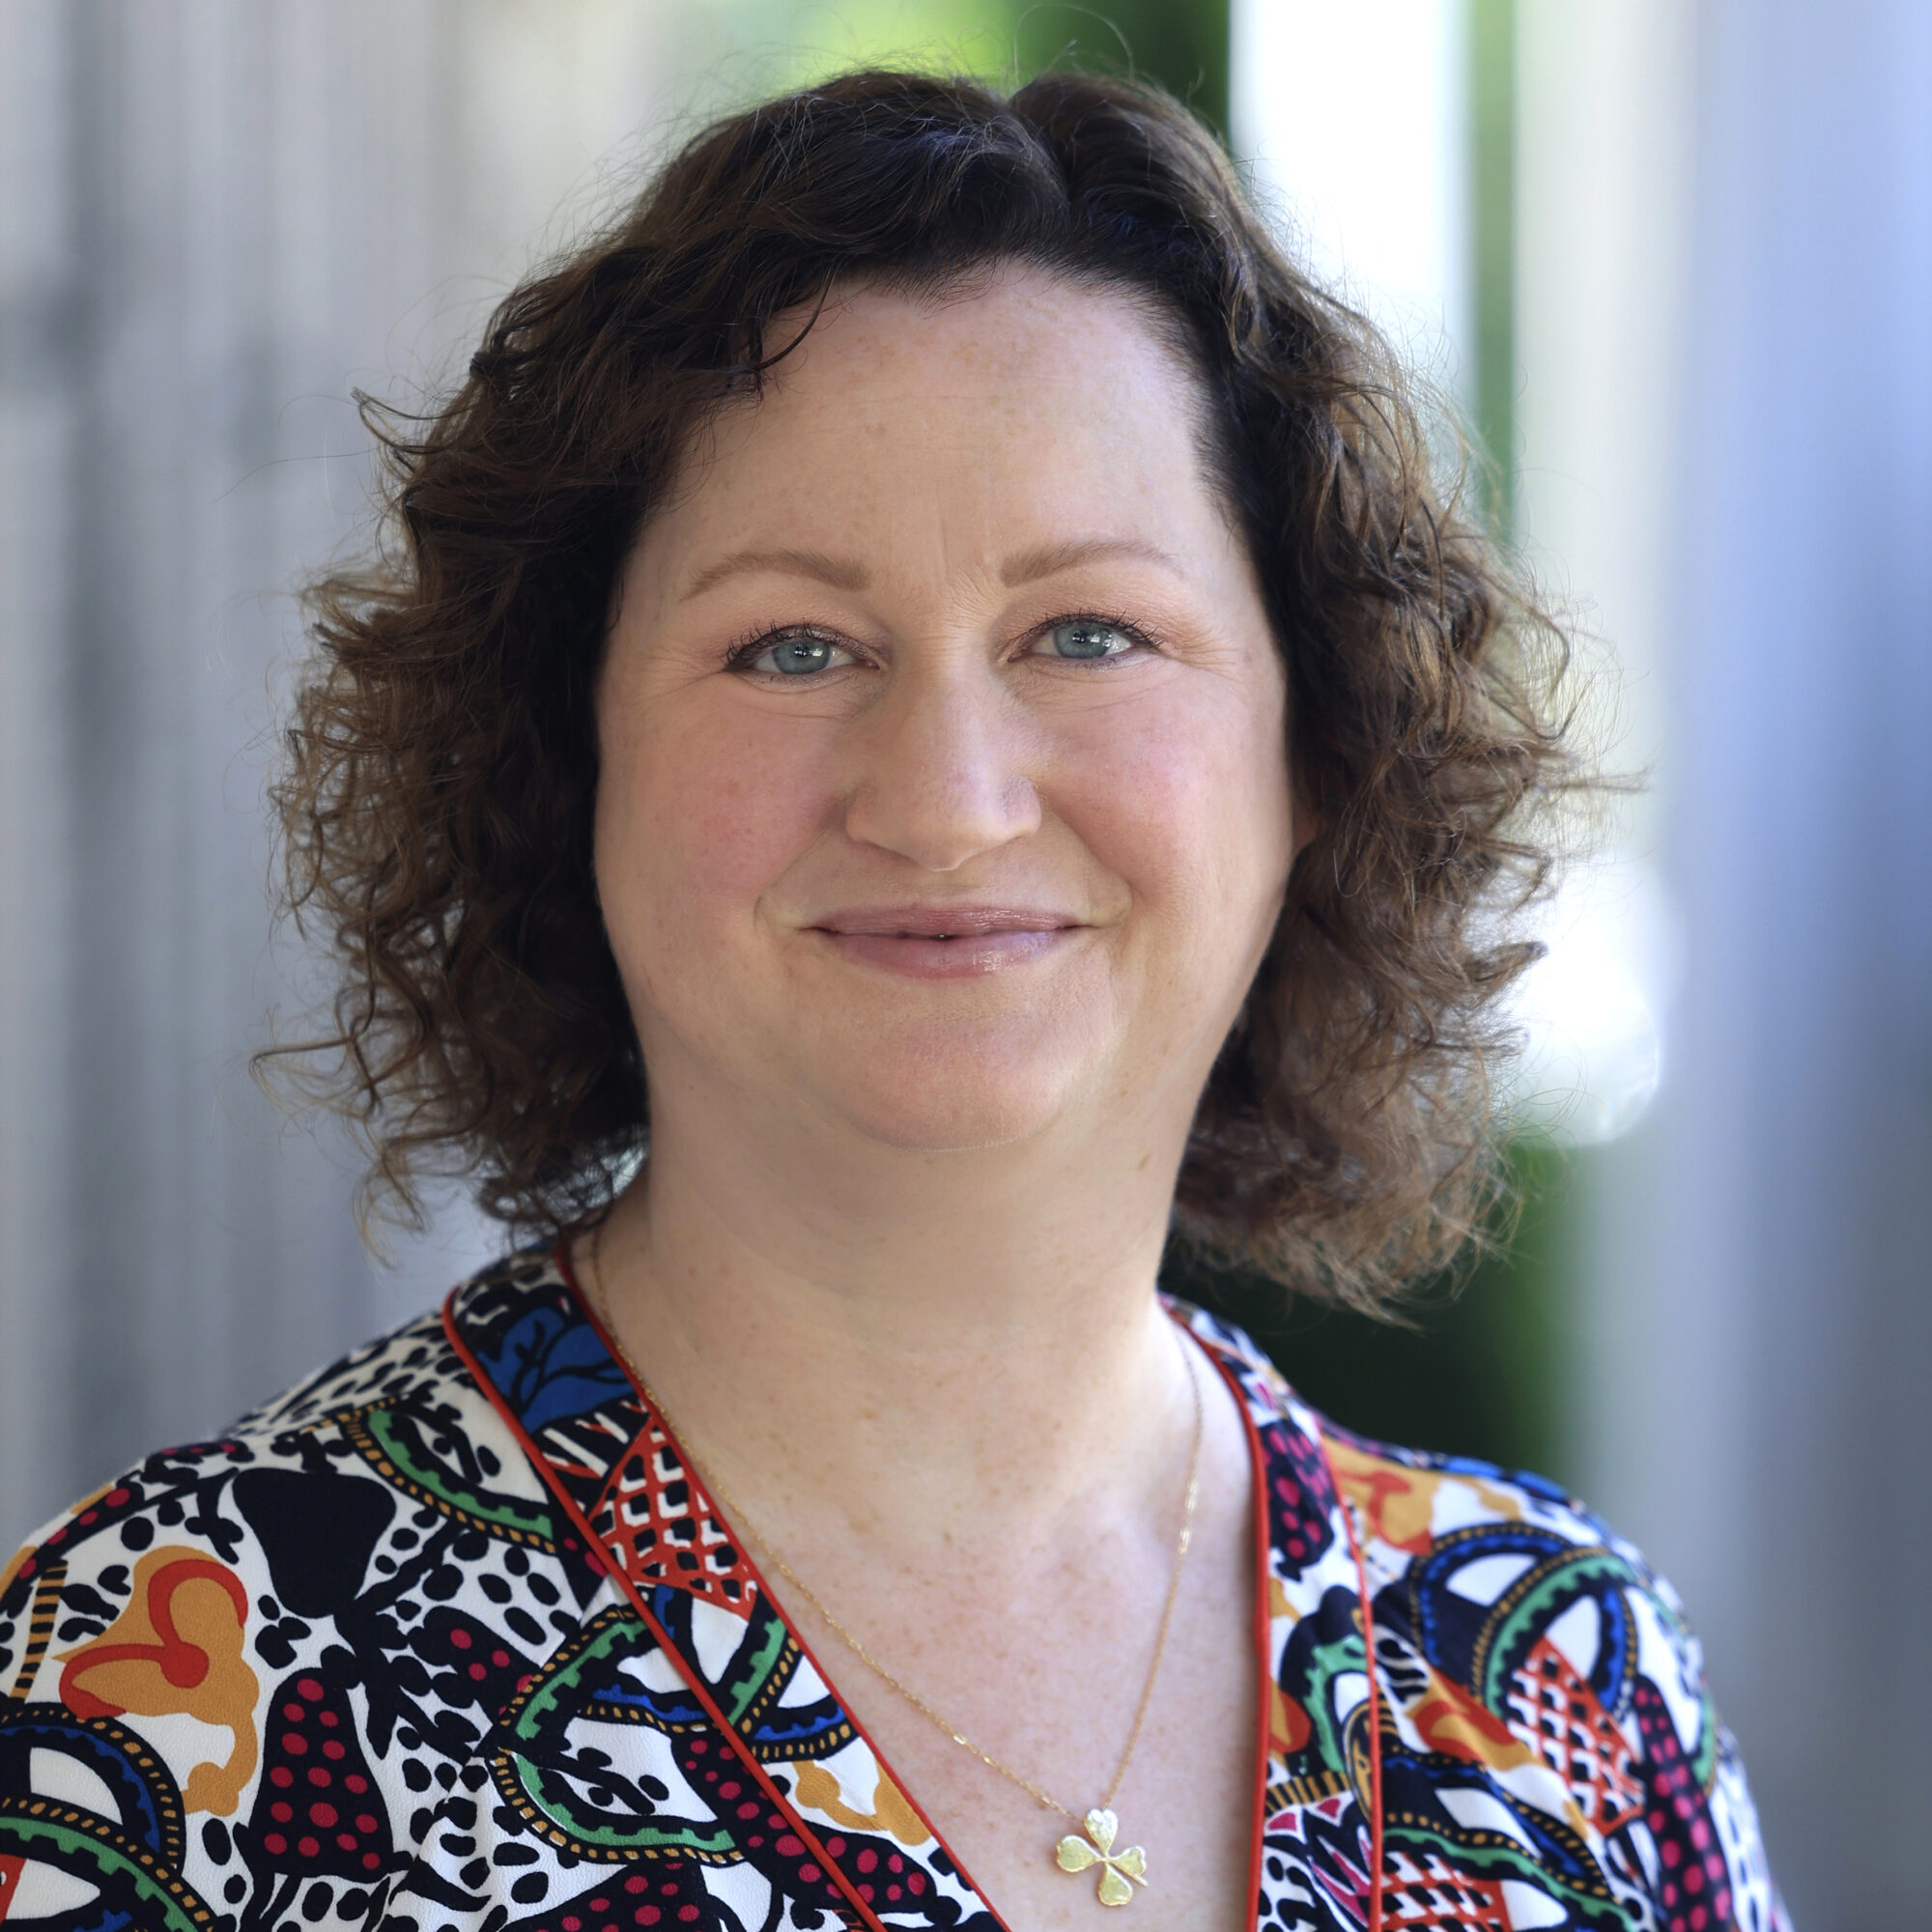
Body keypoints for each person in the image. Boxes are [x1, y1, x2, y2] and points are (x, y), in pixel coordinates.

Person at [0, 69, 1785, 1932]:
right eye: (792, 645)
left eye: (1087, 633)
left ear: (1315, 745)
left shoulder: (1565, 1680)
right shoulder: (163, 1698)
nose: (945, 797)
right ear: (569, 747)